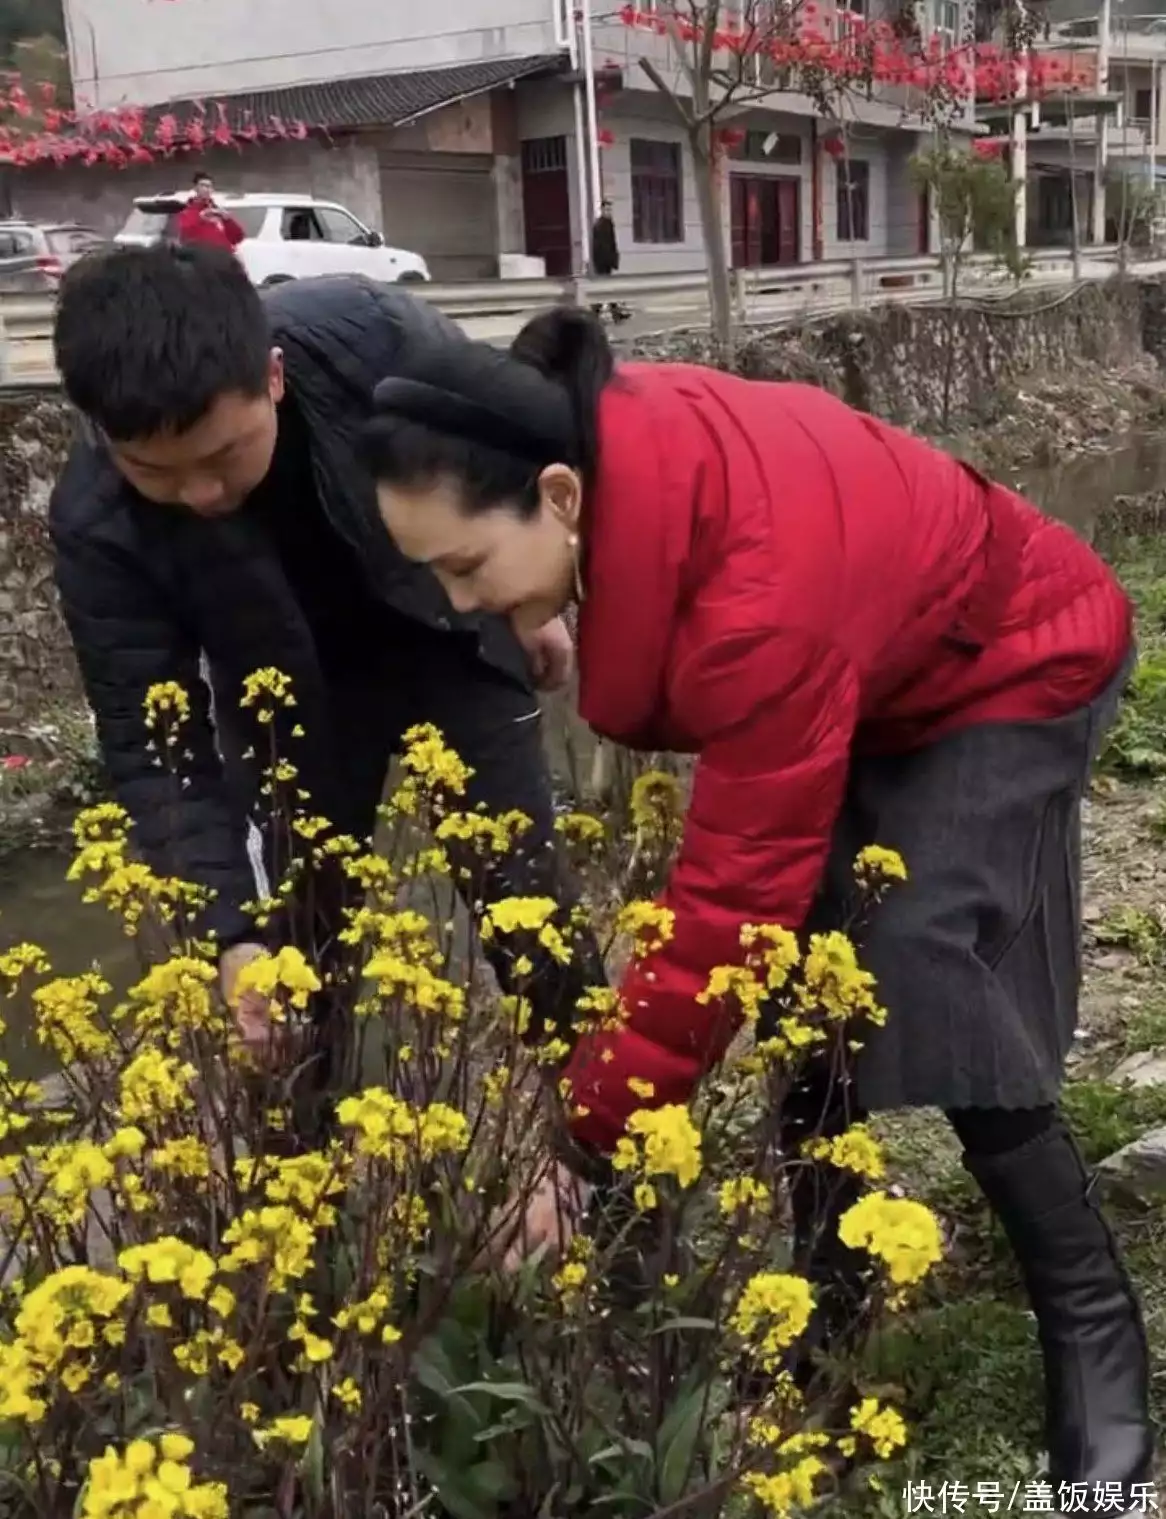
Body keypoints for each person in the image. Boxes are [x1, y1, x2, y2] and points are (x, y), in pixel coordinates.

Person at [358, 308, 1152, 1501]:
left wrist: (579, 1144)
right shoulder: (629, 469)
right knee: (794, 990)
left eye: (466, 567)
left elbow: (727, 905)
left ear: (561, 497)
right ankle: (829, 1290)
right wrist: (537, 604)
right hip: (883, 678)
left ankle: (1091, 1334)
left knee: (915, 954)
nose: (460, 599)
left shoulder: (756, 594)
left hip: (1018, 654)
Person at [49, 242, 595, 1072]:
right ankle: (303, 1166)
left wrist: (530, 597)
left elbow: (494, 444)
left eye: (225, 454)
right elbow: (155, 748)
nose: (199, 494)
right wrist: (226, 932)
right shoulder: (99, 520)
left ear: (272, 377)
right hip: (287, 699)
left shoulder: (364, 336)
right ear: (102, 433)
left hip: (444, 631)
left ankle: (605, 1133)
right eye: (157, 472)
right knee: (294, 953)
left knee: (526, 897)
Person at [175, 171, 246, 252]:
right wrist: (201, 218)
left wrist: (228, 220)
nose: (207, 189)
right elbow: (186, 236)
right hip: (203, 259)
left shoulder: (217, 210)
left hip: (224, 258)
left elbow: (237, 237)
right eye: (203, 185)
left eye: (210, 186)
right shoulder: (187, 212)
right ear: (195, 188)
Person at [589, 200, 628, 324]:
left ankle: (612, 313)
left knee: (607, 288)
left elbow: (612, 244)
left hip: (607, 261)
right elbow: (599, 246)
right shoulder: (600, 225)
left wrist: (614, 259)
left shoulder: (608, 223)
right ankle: (598, 313)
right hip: (602, 262)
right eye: (607, 209)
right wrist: (604, 261)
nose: (609, 212)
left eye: (610, 210)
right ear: (602, 210)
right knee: (605, 288)